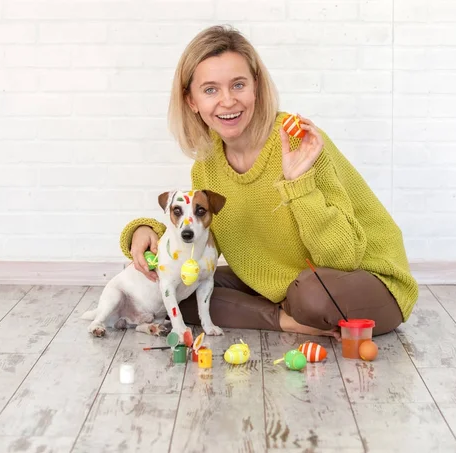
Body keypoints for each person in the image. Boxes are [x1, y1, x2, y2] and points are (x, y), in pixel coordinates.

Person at [119, 25, 418, 339]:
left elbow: (342, 258)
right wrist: (146, 231)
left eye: (238, 85)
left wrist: (299, 183)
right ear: (191, 100)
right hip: (287, 286)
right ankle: (287, 319)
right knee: (175, 289)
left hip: (364, 280)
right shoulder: (205, 168)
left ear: (256, 87)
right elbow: (202, 243)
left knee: (311, 295)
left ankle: (293, 310)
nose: (227, 101)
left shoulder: (298, 141)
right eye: (210, 90)